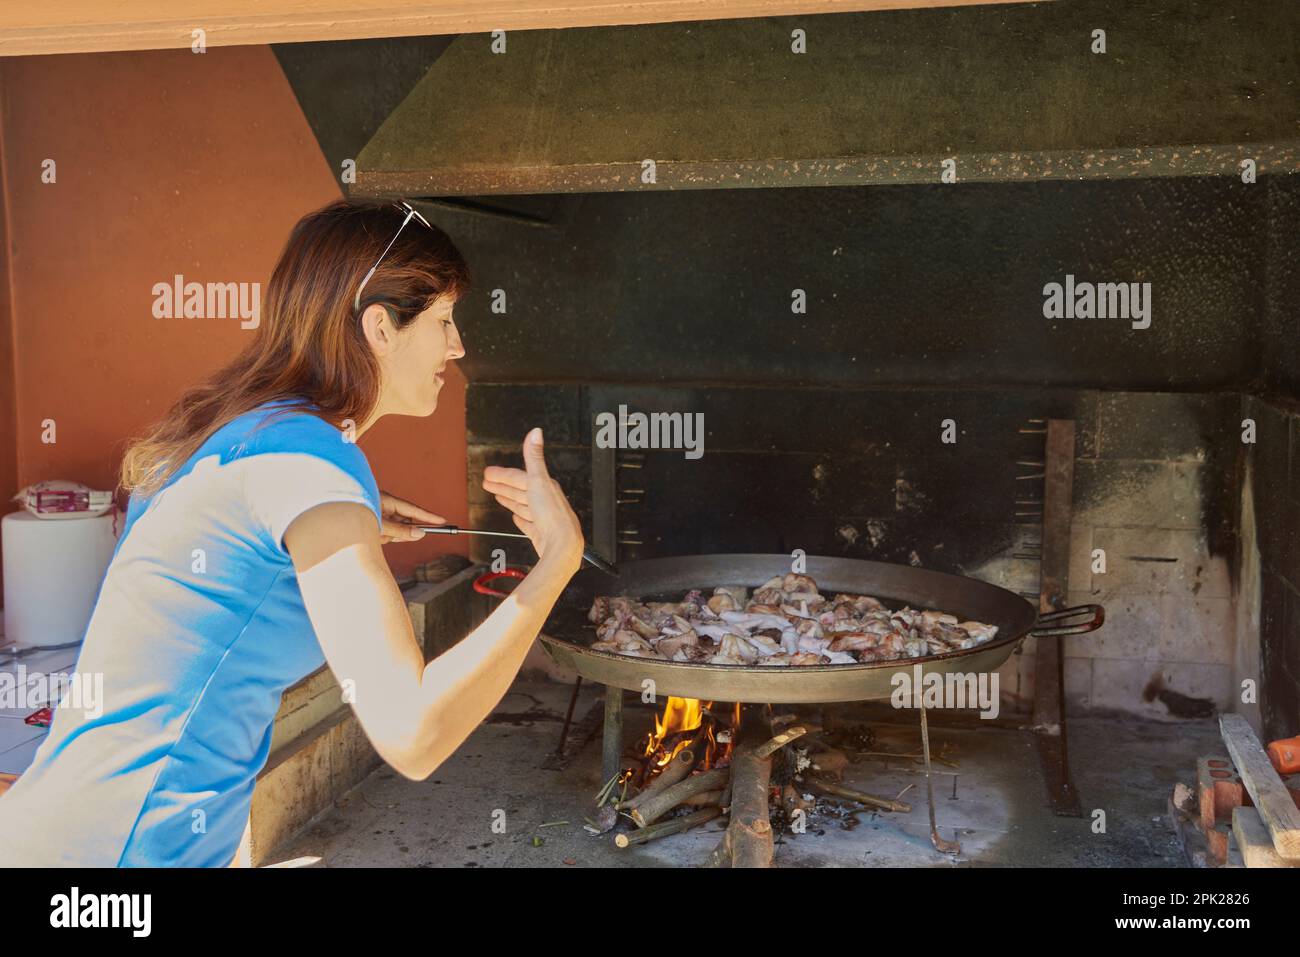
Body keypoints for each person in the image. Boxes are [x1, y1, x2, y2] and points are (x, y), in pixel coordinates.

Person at [0, 200, 584, 866]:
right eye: (445, 320)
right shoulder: (311, 468)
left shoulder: (249, 429)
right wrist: (557, 562)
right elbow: (413, 732)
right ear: (380, 328)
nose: (458, 346)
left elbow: (231, 551)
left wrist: (347, 523)